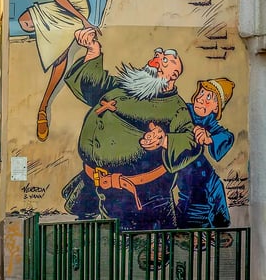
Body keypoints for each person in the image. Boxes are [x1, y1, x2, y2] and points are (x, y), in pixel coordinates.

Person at [62, 28, 201, 230]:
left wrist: (164, 140)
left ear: (173, 75)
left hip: (138, 197)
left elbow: (191, 140)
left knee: (140, 253)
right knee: (96, 248)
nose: (157, 57)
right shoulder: (127, 87)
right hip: (93, 185)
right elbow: (92, 87)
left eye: (164, 60)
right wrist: (93, 52)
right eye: (158, 55)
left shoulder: (175, 107)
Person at [18, 0, 130, 141]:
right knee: (24, 22)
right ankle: (55, 36)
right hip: (60, 6)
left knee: (60, 57)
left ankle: (43, 108)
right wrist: (85, 23)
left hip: (76, 4)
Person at [175, 77, 235, 228]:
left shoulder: (210, 122)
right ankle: (193, 229)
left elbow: (226, 136)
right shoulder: (183, 110)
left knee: (214, 185)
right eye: (202, 92)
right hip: (181, 169)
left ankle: (219, 226)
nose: (202, 99)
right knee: (192, 196)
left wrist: (209, 139)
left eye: (209, 97)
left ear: (216, 108)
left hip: (201, 173)